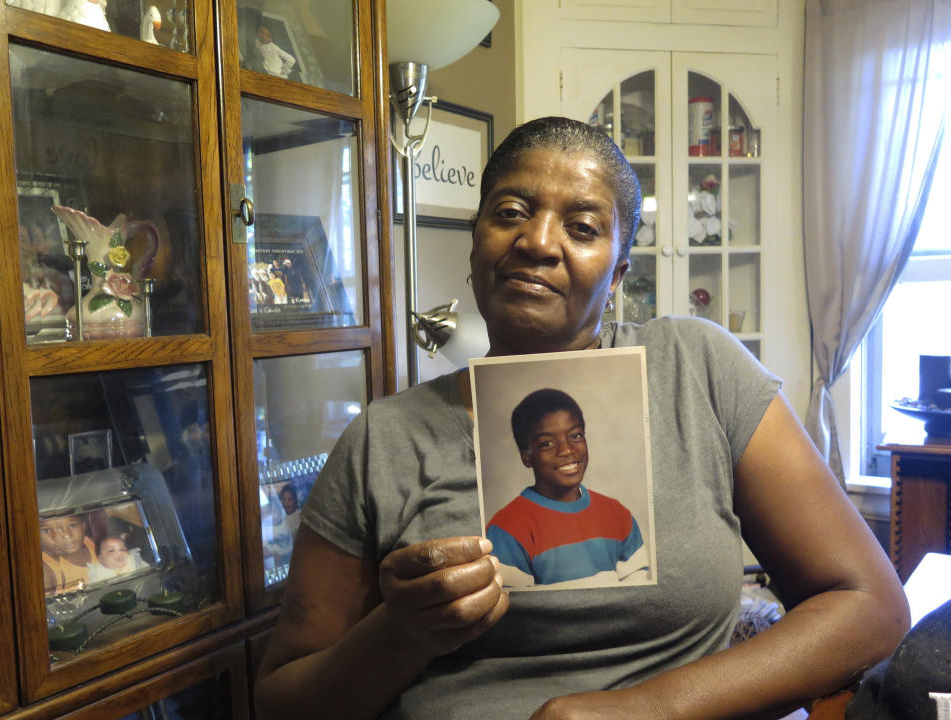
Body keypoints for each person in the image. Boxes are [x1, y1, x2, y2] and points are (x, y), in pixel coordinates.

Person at [254, 116, 909, 720]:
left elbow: (869, 606)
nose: (538, 241)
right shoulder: (385, 437)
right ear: (476, 245)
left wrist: (651, 708)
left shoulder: (697, 368)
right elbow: (283, 702)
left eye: (583, 227)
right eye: (510, 212)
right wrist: (397, 634)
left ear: (618, 271)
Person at [486, 388, 648, 588]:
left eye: (575, 435)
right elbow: (516, 611)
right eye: (546, 443)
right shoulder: (506, 529)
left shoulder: (618, 515)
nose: (566, 450)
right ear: (526, 456)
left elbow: (638, 591)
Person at [40, 514, 97, 594]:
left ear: (83, 525)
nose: (67, 535)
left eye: (72, 525)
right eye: (47, 531)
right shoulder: (45, 570)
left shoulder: (97, 545)